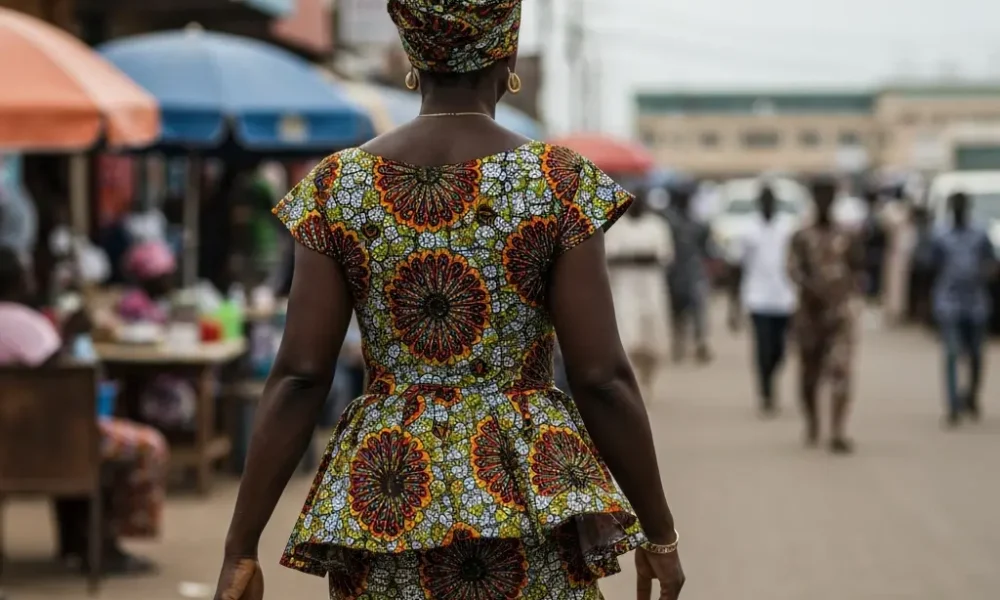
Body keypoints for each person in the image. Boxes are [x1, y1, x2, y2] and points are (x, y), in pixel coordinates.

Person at [213, 1, 685, 599]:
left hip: (388, 490)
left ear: (413, 59)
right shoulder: (556, 182)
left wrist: (241, 547)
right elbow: (601, 378)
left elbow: (301, 375)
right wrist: (659, 534)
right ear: (507, 56)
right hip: (525, 490)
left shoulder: (339, 186)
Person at [0, 246, 168, 574]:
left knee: (80, 438)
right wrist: (70, 334)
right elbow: (62, 386)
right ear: (19, 281)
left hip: (7, 446)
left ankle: (75, 541)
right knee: (145, 444)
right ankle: (101, 545)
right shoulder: (28, 325)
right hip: (49, 443)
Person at [787, 178, 864, 454]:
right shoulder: (801, 236)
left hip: (840, 314)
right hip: (810, 315)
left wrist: (846, 294)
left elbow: (858, 269)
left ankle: (838, 431)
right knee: (809, 376)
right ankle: (812, 422)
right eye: (819, 195)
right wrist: (812, 290)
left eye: (828, 195)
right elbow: (793, 271)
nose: (824, 201)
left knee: (841, 371)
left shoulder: (847, 235)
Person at [931, 192, 996, 426]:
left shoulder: (980, 233)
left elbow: (991, 262)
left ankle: (971, 396)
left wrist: (984, 274)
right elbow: (932, 265)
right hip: (949, 301)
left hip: (976, 301)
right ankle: (952, 406)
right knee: (951, 352)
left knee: (976, 354)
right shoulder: (940, 234)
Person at [605, 191, 674, 395]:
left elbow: (664, 256)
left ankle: (648, 380)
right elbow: (608, 257)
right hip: (625, 291)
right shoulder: (616, 226)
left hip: (652, 291)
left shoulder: (657, 226)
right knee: (628, 339)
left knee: (653, 343)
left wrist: (630, 257)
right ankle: (632, 388)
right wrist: (639, 257)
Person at [738, 186, 797, 416]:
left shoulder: (787, 229)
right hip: (757, 297)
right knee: (763, 347)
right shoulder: (748, 230)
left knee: (780, 350)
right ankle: (766, 391)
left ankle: (771, 377)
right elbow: (738, 267)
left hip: (784, 297)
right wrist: (735, 305)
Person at [664, 183, 713, 363]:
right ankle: (679, 343)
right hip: (675, 273)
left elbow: (706, 249)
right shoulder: (669, 223)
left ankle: (700, 343)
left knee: (698, 309)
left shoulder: (698, 224)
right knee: (677, 312)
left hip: (694, 271)